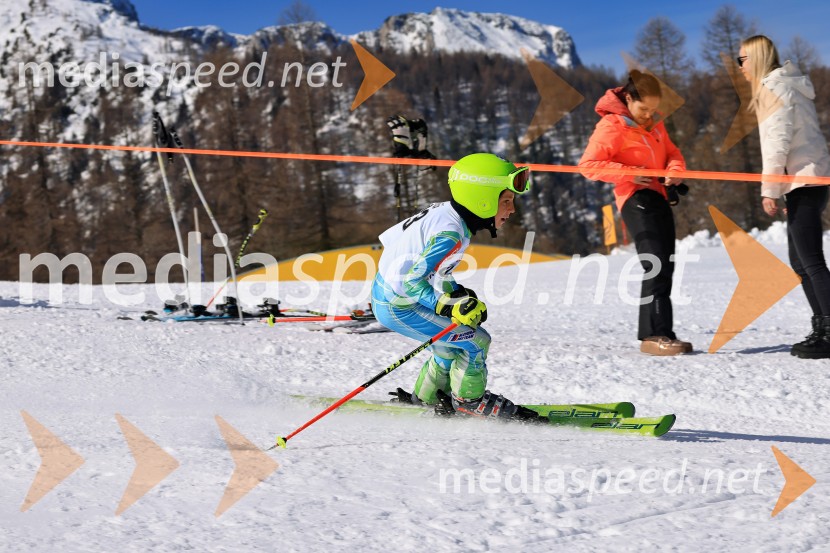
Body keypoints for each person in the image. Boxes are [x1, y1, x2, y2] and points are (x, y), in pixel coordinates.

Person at [371, 153, 539, 419]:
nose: (512, 209)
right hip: (398, 304)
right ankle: (469, 401)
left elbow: (399, 244)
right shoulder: (450, 234)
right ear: (482, 200)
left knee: (450, 343)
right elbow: (411, 281)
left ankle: (427, 397)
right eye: (506, 201)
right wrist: (446, 305)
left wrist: (456, 295)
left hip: (391, 295)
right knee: (477, 341)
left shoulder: (446, 214)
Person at [578, 70, 693, 356]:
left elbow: (673, 153)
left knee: (665, 264)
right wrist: (630, 173)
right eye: (643, 109)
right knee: (654, 263)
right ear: (628, 98)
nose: (648, 116)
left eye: (654, 110)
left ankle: (663, 333)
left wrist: (674, 171)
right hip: (634, 197)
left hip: (659, 196)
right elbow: (589, 165)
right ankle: (653, 335)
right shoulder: (612, 126)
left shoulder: (656, 124)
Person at [739, 35, 830, 359]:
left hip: (804, 178)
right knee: (800, 262)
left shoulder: (775, 88)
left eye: (743, 60)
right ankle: (822, 326)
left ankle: (829, 330)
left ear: (757, 58)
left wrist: (769, 189)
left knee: (811, 260)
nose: (741, 68)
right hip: (806, 178)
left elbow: (778, 142)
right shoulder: (785, 85)